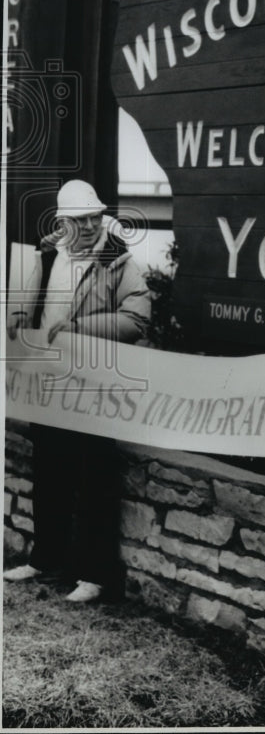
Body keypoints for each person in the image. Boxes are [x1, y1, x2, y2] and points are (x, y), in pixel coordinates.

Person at [4, 180, 151, 603]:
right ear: (63, 221)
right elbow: (31, 298)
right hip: (47, 381)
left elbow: (138, 319)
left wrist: (80, 330)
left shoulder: (117, 259)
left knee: (94, 477)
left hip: (94, 383)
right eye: (79, 219)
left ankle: (93, 574)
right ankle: (45, 559)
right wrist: (18, 315)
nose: (89, 226)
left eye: (94, 217)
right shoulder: (48, 252)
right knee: (49, 471)